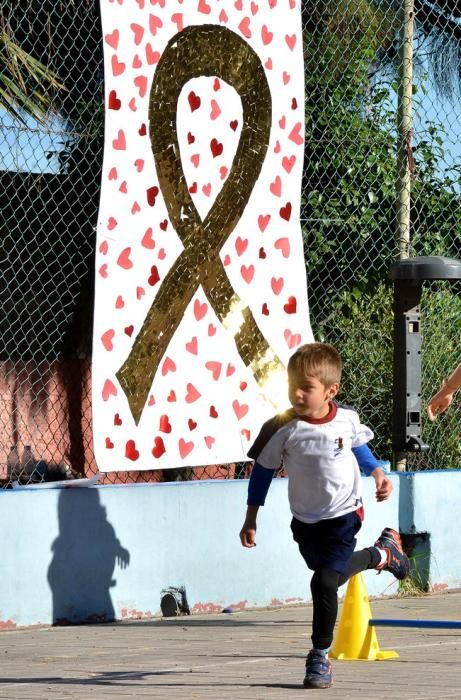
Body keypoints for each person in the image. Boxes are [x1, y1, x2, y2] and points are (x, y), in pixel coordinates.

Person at [239, 342, 409, 690]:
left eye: (307, 387)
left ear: (331, 391)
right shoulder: (282, 427)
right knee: (324, 570)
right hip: (305, 521)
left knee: (324, 582)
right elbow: (263, 471)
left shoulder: (346, 418)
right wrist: (251, 517)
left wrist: (376, 472)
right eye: (292, 386)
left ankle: (319, 657)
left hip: (346, 513)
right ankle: (383, 553)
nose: (297, 394)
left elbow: (358, 445)